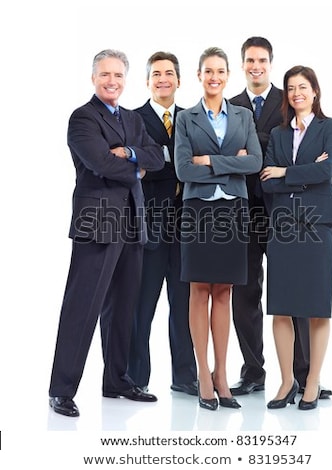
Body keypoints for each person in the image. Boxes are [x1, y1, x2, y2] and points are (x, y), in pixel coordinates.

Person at [48, 49, 165, 417]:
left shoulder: (132, 119)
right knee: (83, 307)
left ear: (126, 79)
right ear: (93, 78)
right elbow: (98, 162)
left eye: (117, 75)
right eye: (104, 75)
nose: (111, 81)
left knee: (123, 306)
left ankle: (116, 380)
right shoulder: (82, 118)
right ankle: (61, 389)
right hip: (96, 222)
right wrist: (137, 168)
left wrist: (129, 152)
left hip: (132, 220)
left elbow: (158, 156)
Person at [229, 37, 332, 399]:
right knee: (244, 294)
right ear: (242, 64)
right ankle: (253, 371)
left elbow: (262, 151)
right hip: (243, 211)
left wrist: (255, 151)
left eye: (262, 60)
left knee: (298, 294)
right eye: (249, 60)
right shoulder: (231, 105)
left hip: (288, 214)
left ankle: (305, 376)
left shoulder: (286, 99)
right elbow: (231, 149)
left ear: (270, 63)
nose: (255, 66)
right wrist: (259, 154)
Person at [174, 47, 262, 410]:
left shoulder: (242, 116)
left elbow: (255, 162)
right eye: (208, 71)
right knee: (198, 290)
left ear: (229, 76)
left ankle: (222, 374)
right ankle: (203, 377)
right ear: (199, 75)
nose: (214, 76)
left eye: (220, 71)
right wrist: (231, 163)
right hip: (197, 210)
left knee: (224, 292)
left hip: (232, 211)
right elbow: (183, 170)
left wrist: (209, 160)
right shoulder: (187, 118)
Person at [261, 65, 332, 410]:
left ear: (315, 91)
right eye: (291, 88)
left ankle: (312, 380)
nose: (297, 93)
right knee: (281, 307)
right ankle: (286, 381)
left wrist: (287, 171)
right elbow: (267, 179)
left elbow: (328, 170)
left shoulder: (331, 127)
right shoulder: (279, 134)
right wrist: (300, 174)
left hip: (317, 223)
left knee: (316, 307)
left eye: (303, 87)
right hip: (283, 224)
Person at [128, 51, 197, 395]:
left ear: (179, 80)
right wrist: (179, 163)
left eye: (169, 73)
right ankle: (134, 378)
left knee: (183, 305)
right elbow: (138, 169)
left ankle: (185, 377)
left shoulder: (191, 117)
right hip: (149, 226)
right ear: (147, 81)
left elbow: (183, 167)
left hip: (188, 226)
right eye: (156, 74)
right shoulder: (132, 119)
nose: (163, 79)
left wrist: (160, 159)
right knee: (143, 304)